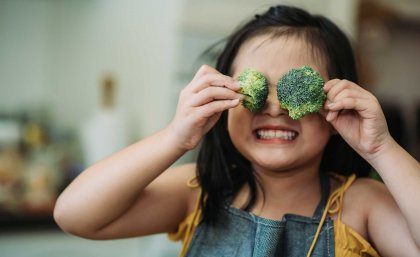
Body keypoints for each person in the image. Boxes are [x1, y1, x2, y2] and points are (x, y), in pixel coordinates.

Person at [54, 5, 420, 257]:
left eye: (296, 89)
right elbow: (74, 214)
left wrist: (380, 148)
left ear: (338, 106)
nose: (274, 107)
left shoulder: (362, 204)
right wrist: (174, 137)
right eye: (253, 88)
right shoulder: (198, 193)